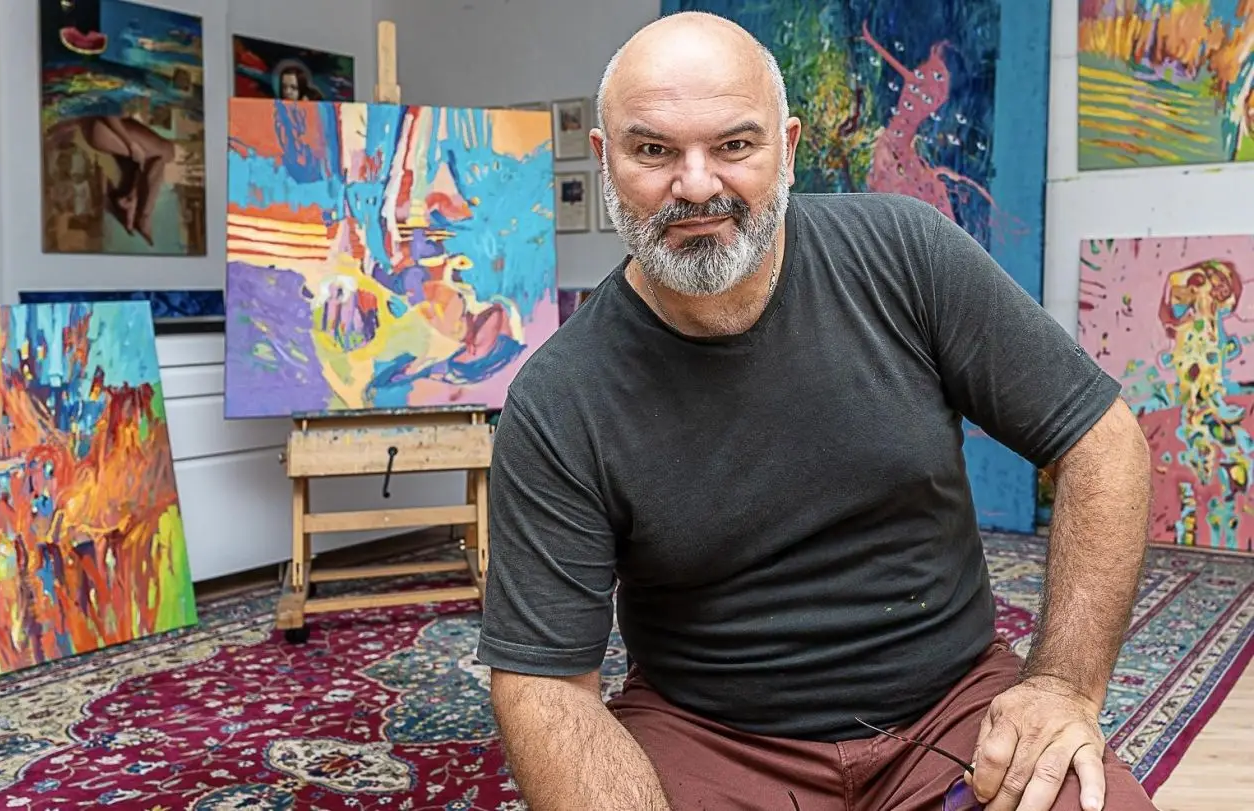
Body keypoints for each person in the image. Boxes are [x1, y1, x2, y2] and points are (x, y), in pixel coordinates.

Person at [476, 11, 1158, 811]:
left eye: (734, 145)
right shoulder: (558, 398)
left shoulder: (906, 253)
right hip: (709, 736)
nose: (696, 185)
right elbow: (547, 685)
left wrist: (1062, 685)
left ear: (789, 147)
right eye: (653, 150)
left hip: (954, 708)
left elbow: (1101, 441)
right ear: (605, 160)